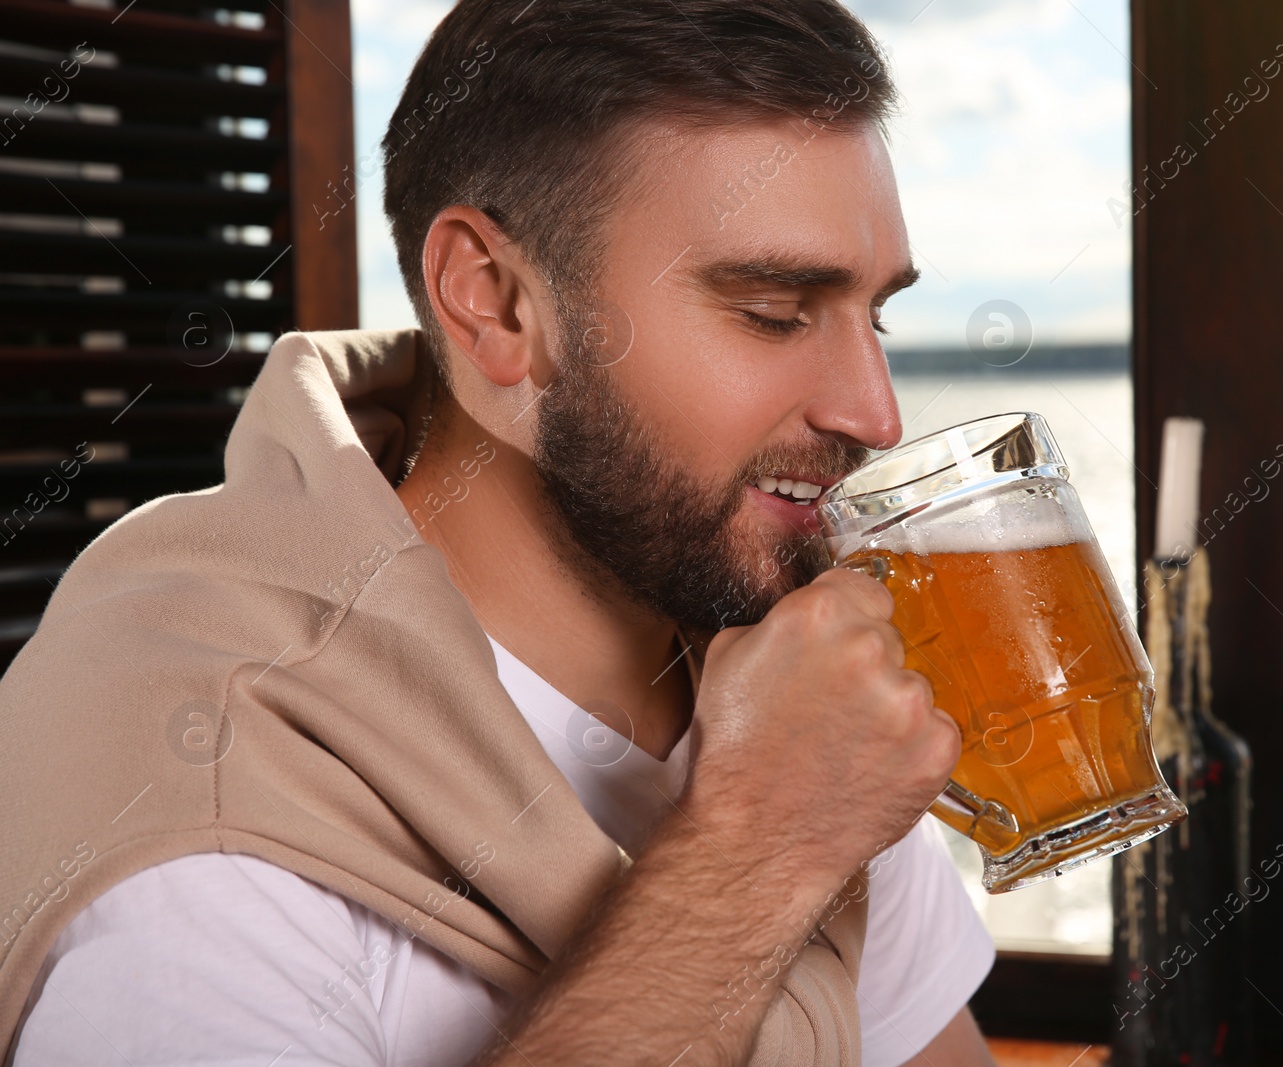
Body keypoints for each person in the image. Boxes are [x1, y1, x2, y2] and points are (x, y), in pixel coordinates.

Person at [0, 1, 998, 1063]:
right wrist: (756, 852)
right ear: (496, 304)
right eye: (773, 310)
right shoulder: (204, 798)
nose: (875, 414)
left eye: (875, 315)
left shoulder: (784, 684)